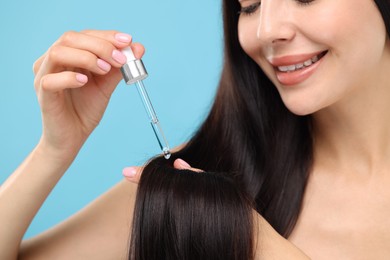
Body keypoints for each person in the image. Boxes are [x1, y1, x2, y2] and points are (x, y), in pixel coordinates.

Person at [1, 0, 390, 259]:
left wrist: (264, 247)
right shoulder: (198, 183)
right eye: (249, 5)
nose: (268, 29)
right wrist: (53, 150)